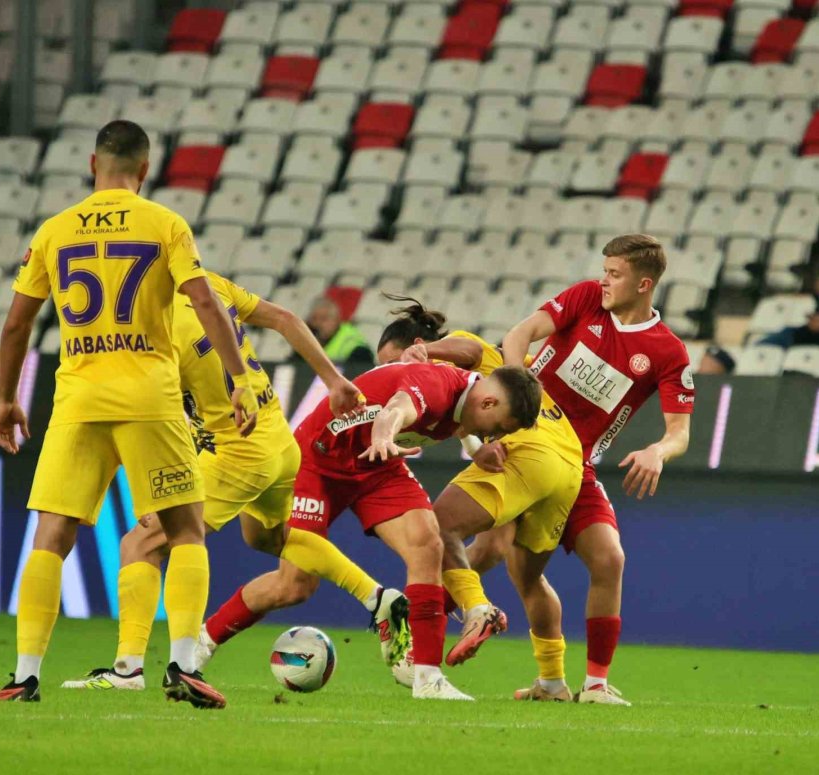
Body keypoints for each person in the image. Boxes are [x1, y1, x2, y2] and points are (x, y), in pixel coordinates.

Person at [0, 120, 258, 709]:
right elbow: (204, 301)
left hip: (78, 398)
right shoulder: (164, 224)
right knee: (185, 529)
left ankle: (23, 675)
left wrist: (7, 397)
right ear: (144, 168)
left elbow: (15, 324)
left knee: (50, 537)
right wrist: (239, 378)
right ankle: (184, 667)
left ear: (93, 164)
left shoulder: (55, 231)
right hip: (148, 398)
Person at [61, 272, 407, 690]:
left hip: (238, 450)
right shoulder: (205, 285)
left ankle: (128, 670)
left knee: (141, 543)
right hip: (279, 441)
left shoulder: (149, 325)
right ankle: (378, 598)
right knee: (270, 540)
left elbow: (161, 415)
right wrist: (333, 379)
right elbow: (284, 318)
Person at [197, 357, 542, 701]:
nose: (493, 435)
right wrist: (383, 432)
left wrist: (476, 449)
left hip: (376, 466)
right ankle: (205, 641)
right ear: (489, 402)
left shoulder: (471, 395)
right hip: (320, 459)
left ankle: (427, 677)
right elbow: (397, 408)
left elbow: (452, 414)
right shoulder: (435, 388)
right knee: (294, 585)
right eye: (496, 428)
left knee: (428, 543)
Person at [464, 234, 694, 705]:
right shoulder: (586, 297)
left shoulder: (667, 352)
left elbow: (679, 432)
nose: (605, 280)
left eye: (616, 274)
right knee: (490, 551)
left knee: (607, 559)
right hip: (523, 447)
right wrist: (517, 391)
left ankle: (592, 685)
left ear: (644, 283)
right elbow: (519, 335)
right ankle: (417, 616)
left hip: (576, 467)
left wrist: (658, 451)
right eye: (605, 270)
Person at [375, 298, 584, 691]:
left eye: (394, 361)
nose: (391, 371)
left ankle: (477, 611)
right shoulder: (455, 395)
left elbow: (469, 350)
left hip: (530, 452)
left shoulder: (453, 355)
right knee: (522, 573)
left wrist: (429, 352)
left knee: (439, 527)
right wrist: (476, 448)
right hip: (567, 464)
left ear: (415, 344)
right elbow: (464, 422)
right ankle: (552, 681)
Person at [306, 296, 374, 366]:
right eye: (314, 319)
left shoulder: (351, 341)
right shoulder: (310, 340)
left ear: (336, 319)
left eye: (324, 319)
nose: (318, 324)